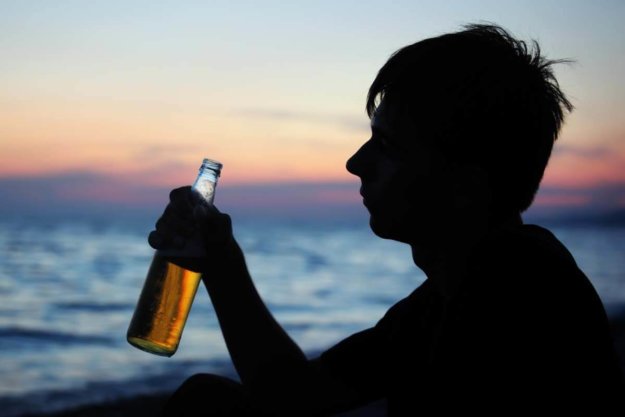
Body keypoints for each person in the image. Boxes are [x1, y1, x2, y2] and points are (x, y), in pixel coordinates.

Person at [152, 24, 624, 416]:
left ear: (465, 183)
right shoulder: (443, 298)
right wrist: (221, 264)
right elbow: (294, 393)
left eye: (389, 147)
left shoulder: (518, 297)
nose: (355, 163)